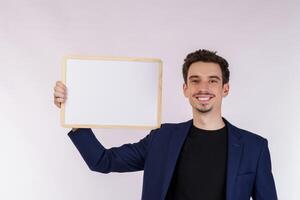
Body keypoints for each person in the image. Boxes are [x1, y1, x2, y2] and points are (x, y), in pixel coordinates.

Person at [53, 49, 278, 200]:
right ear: (185, 89)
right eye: (195, 80)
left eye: (213, 80)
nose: (203, 88)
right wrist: (73, 111)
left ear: (224, 89)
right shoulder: (162, 137)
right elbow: (102, 161)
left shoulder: (254, 148)